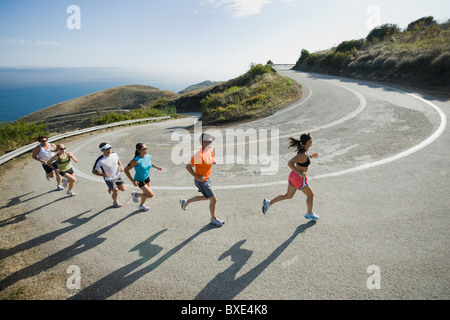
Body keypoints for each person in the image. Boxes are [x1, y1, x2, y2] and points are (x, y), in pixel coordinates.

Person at [262, 133, 320, 220]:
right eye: (311, 140)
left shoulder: (304, 152)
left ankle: (269, 203)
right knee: (310, 195)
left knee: (288, 196)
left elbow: (303, 159)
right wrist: (300, 173)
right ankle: (309, 213)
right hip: (299, 178)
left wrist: (311, 156)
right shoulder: (302, 154)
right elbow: (290, 163)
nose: (312, 141)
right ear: (308, 142)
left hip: (293, 176)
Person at [180, 133, 224, 227]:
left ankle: (186, 201)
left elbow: (211, 157)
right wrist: (198, 176)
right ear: (202, 142)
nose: (209, 143)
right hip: (202, 181)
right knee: (213, 199)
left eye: (210, 141)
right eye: (206, 141)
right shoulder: (199, 155)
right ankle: (213, 219)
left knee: (206, 197)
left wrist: (213, 161)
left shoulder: (210, 150)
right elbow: (188, 167)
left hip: (207, 178)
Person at [124, 143, 162, 211]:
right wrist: (133, 181)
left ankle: (141, 205)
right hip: (139, 180)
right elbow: (126, 170)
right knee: (150, 195)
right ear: (139, 150)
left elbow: (150, 163)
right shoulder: (135, 161)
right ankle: (136, 195)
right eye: (143, 149)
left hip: (147, 178)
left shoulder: (148, 156)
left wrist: (157, 167)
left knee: (146, 193)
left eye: (146, 148)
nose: (146, 150)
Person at [92, 143, 126, 208]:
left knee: (123, 189)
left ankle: (111, 188)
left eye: (110, 148)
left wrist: (121, 166)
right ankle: (115, 202)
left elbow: (118, 159)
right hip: (109, 178)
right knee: (116, 191)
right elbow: (94, 171)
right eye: (107, 149)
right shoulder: (100, 160)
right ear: (102, 150)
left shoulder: (114, 154)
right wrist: (103, 174)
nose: (109, 150)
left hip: (117, 175)